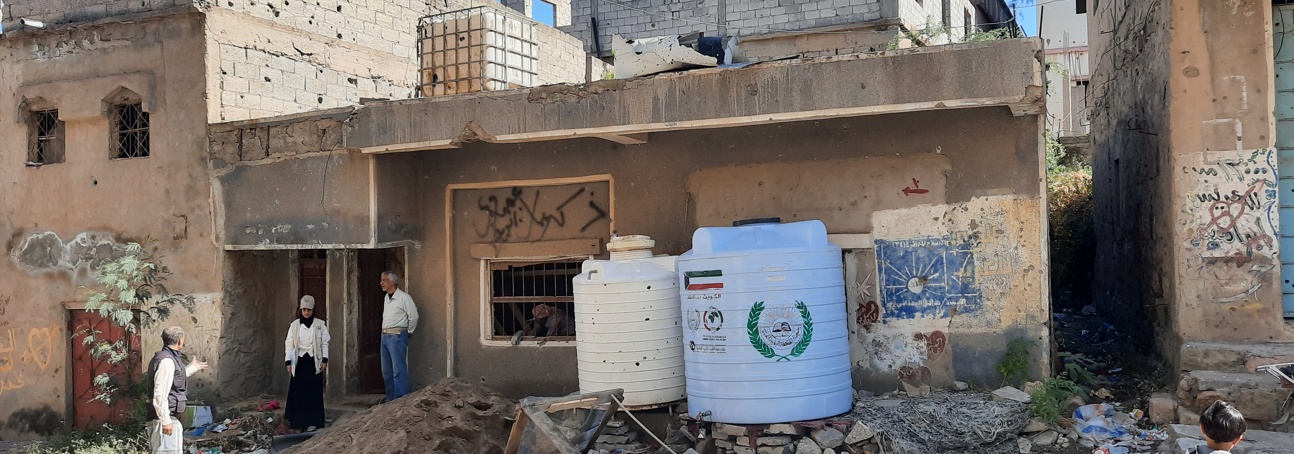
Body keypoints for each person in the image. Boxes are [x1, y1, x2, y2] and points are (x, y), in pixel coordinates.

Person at [148, 326, 209, 454]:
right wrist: (166, 421)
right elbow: (160, 393)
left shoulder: (169, 359)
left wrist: (193, 368)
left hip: (168, 418)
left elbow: (175, 379)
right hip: (164, 420)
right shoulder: (167, 361)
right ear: (180, 341)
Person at [283, 295, 330, 432]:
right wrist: (288, 361)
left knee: (313, 393)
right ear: (300, 310)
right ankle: (299, 423)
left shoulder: (320, 325)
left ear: (313, 310)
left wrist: (324, 360)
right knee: (299, 394)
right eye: (304, 309)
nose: (306, 312)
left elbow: (324, 343)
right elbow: (289, 344)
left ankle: (313, 421)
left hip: (313, 363)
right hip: (299, 363)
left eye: (309, 310)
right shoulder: (294, 326)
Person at [379, 271, 418, 401]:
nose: (381, 283)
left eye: (384, 280)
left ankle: (401, 399)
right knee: (387, 371)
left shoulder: (403, 297)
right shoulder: (386, 297)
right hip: (385, 335)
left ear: (392, 282)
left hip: (396, 335)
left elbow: (413, 316)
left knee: (398, 369)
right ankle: (390, 398)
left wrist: (409, 331)